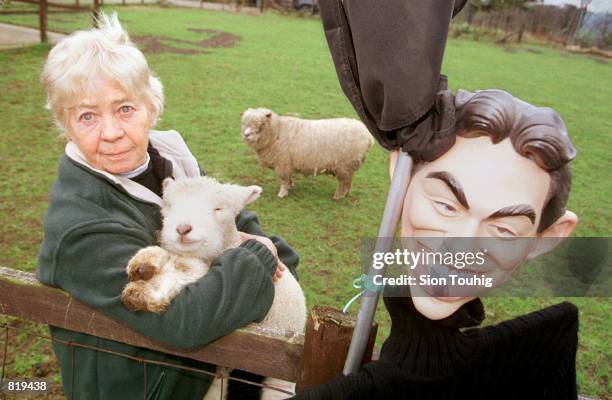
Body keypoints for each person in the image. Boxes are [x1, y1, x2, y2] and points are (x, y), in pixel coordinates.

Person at [36, 13, 298, 400]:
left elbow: (260, 240)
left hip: (204, 374)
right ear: (66, 123)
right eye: (87, 115)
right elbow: (186, 318)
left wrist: (259, 251)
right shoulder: (81, 225)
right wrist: (259, 255)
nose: (111, 133)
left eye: (125, 109)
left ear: (151, 104)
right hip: (147, 388)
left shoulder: (173, 161)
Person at [295, 89, 580, 399]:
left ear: (545, 239)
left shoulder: (538, 362)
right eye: (446, 205)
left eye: (504, 230)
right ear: (402, 177)